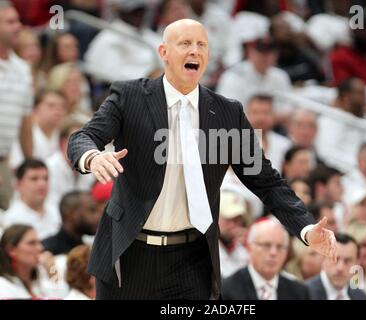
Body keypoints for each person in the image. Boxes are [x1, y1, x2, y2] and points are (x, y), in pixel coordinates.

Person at [67, 19, 337, 300]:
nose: (195, 51)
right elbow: (82, 137)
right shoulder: (130, 96)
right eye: (185, 44)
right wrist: (92, 157)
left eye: (202, 45)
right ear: (164, 52)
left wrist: (305, 228)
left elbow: (267, 182)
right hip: (131, 251)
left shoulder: (227, 113)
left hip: (191, 258)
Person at [222, 218, 310, 300]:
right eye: (266, 245)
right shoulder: (226, 289)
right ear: (249, 247)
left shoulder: (299, 292)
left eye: (280, 247)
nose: (273, 253)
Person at [0, 0, 33, 210]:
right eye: (10, 21)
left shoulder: (23, 69)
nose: (18, 26)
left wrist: (30, 163)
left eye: (18, 21)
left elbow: (25, 121)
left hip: (4, 162)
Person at [3, 159, 61, 240]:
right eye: (34, 179)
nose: (42, 184)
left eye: (45, 178)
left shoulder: (57, 212)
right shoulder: (10, 221)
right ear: (18, 184)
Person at [306, 233, 366, 300]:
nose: (340, 268)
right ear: (323, 258)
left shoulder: (360, 296)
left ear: (357, 263)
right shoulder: (305, 293)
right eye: (334, 259)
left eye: (347, 261)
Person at [0, 224, 49, 299]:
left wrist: (52, 269)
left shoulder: (41, 274)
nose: (40, 248)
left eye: (39, 242)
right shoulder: (3, 287)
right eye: (32, 243)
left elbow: (61, 295)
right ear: (11, 250)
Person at [42, 191, 98, 256]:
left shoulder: (88, 250)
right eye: (92, 210)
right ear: (71, 214)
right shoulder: (46, 250)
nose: (98, 216)